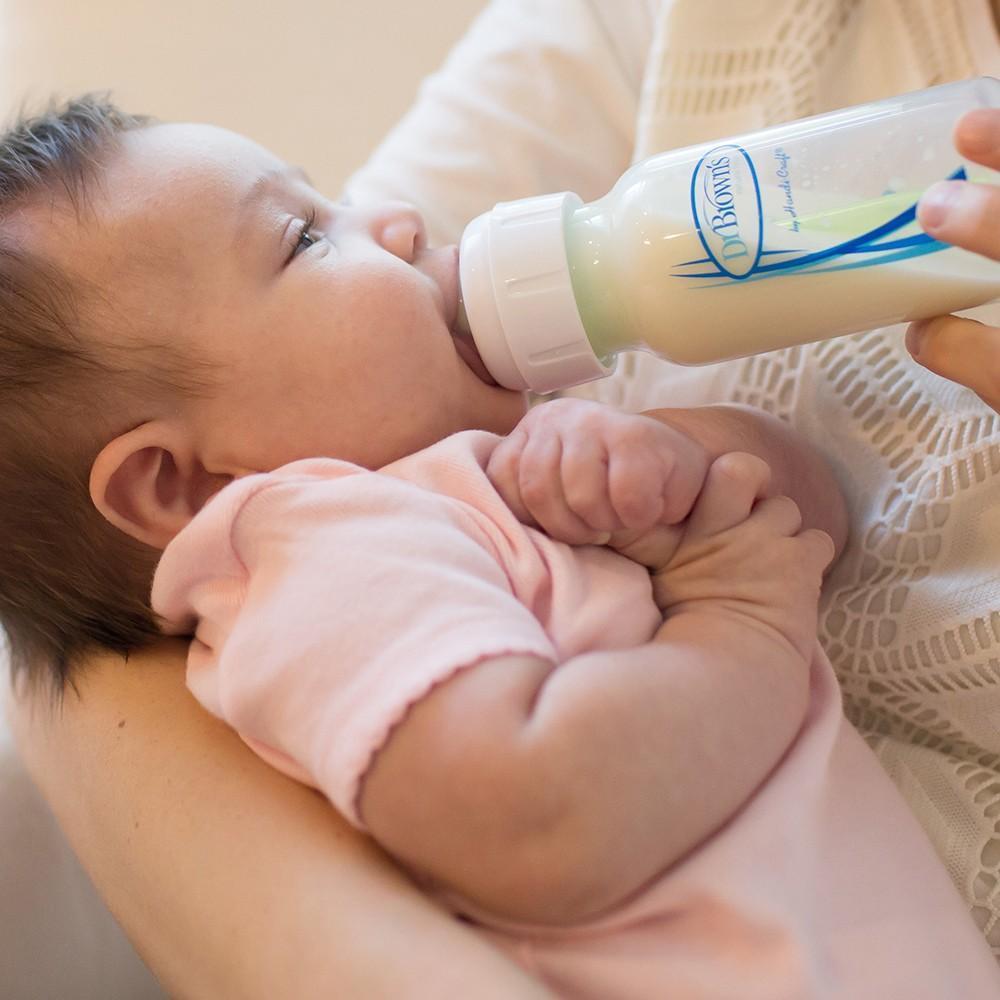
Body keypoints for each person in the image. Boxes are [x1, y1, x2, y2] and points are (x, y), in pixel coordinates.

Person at [9, 0, 1000, 992]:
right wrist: (738, 615)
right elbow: (545, 820)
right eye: (305, 238)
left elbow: (808, 522)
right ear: (179, 482)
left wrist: (684, 461)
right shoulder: (321, 562)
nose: (394, 220)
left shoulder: (466, 471)